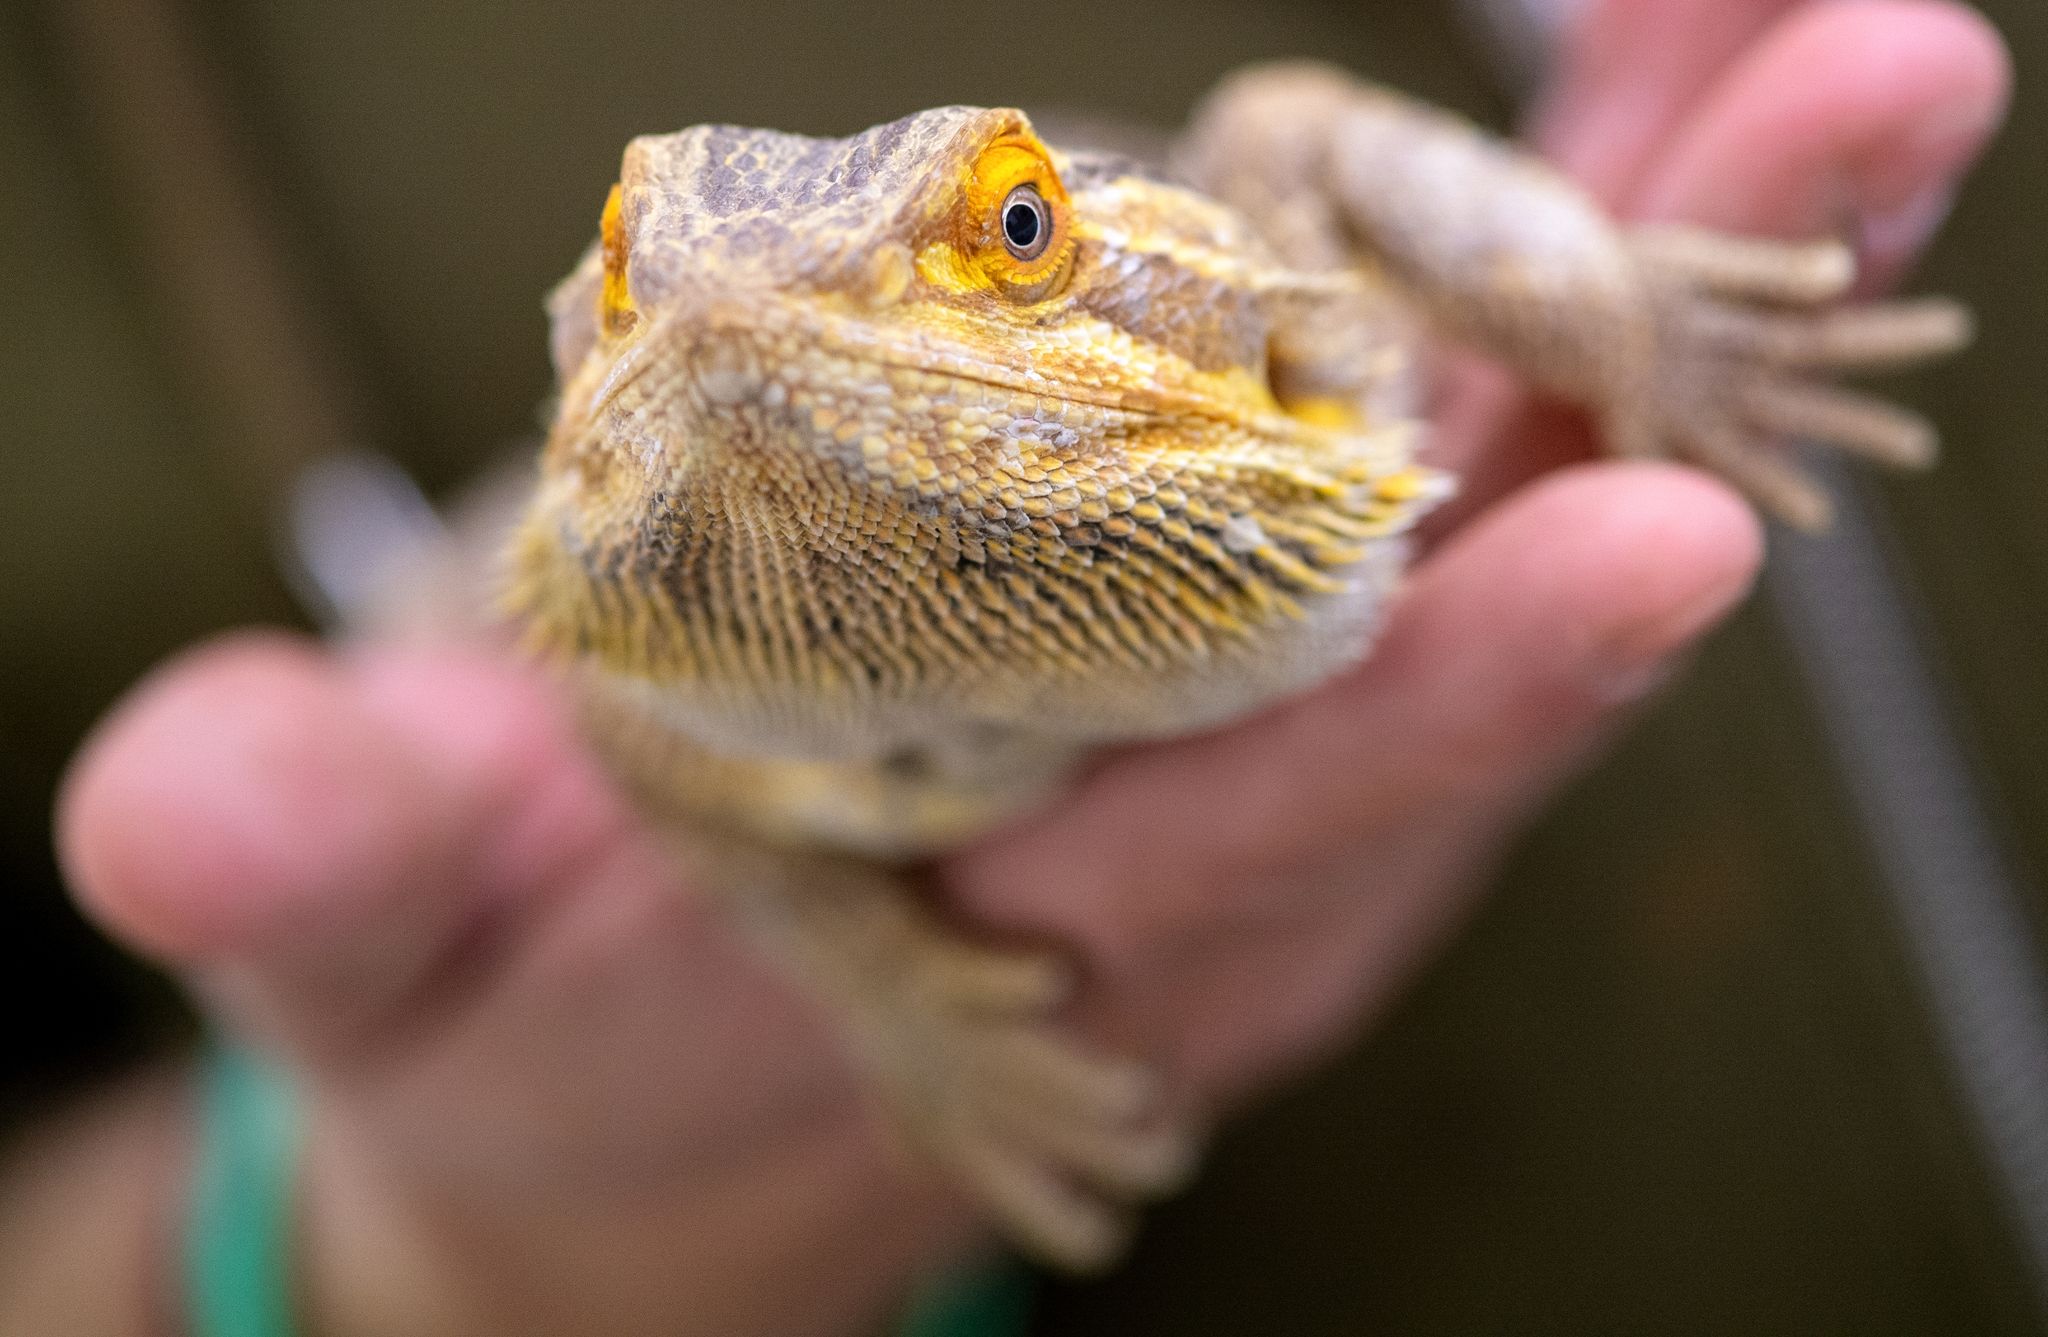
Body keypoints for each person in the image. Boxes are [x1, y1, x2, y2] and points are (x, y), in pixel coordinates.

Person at [4, 1, 2011, 1333]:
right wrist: (338, 1271)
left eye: (1014, 233)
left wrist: (1612, 319)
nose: (726, 321)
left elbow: (1288, 138)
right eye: (633, 286)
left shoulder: (1296, 321)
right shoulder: (666, 702)